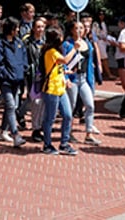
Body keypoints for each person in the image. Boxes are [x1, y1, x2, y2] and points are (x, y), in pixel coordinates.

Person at [39, 26, 78, 155]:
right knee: (50, 118)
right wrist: (75, 49)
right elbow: (65, 60)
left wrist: (65, 74)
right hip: (51, 89)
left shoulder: (56, 51)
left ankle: (64, 143)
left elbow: (58, 67)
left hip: (60, 88)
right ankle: (47, 144)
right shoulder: (50, 51)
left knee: (68, 115)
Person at [0, 16, 28, 147]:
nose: (18, 30)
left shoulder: (19, 43)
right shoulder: (0, 43)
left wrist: (22, 70)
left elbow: (24, 59)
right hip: (6, 81)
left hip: (17, 79)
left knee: (11, 107)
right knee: (11, 106)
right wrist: (4, 75)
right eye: (16, 28)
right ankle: (15, 134)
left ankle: (3, 130)